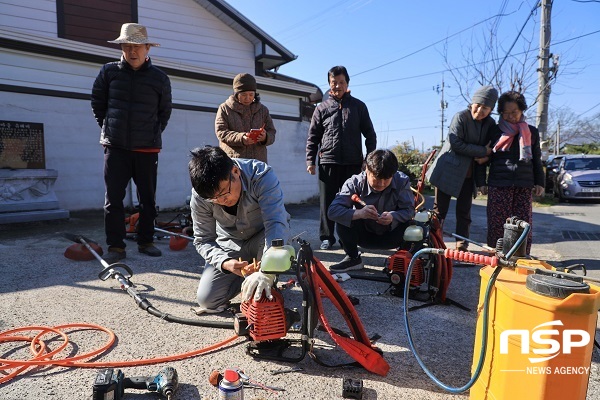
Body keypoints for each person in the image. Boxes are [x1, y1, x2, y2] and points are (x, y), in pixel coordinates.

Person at [91, 23, 172, 263]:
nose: (132, 52)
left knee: (148, 199)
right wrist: (110, 130)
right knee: (113, 199)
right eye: (127, 46)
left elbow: (164, 112)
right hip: (115, 147)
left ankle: (145, 241)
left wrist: (150, 133)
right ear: (122, 48)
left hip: (147, 148)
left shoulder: (160, 78)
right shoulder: (108, 72)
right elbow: (98, 104)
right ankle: (115, 246)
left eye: (137, 46)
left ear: (147, 48)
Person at [188, 146, 290, 313]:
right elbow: (203, 240)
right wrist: (225, 263)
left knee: (262, 292)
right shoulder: (201, 195)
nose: (221, 201)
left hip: (262, 237)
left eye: (224, 193)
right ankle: (250, 277)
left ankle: (266, 276)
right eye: (213, 199)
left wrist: (267, 271)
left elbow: (276, 223)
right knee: (207, 300)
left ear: (235, 172)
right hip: (229, 243)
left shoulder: (261, 176)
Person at [306, 66, 377, 251]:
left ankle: (350, 238)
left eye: (341, 82)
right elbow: (313, 137)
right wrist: (310, 161)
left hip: (353, 163)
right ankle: (327, 237)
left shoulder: (359, 106)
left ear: (347, 84)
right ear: (329, 84)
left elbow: (370, 135)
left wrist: (368, 160)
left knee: (351, 202)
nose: (337, 86)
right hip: (327, 162)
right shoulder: (321, 108)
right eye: (334, 82)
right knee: (327, 203)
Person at [426, 85, 497, 251]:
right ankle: (434, 240)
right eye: (477, 105)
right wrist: (482, 150)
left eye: (485, 108)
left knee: (464, 212)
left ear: (491, 109)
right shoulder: (460, 117)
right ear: (472, 103)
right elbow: (456, 144)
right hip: (447, 170)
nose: (480, 110)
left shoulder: (491, 124)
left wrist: (487, 156)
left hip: (468, 174)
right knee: (439, 211)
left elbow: (488, 152)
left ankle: (462, 243)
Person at [478, 91, 545, 254]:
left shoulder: (532, 132)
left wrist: (540, 183)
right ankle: (496, 256)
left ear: (522, 110)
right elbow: (482, 158)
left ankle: (521, 256)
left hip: (524, 185)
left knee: (523, 223)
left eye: (514, 112)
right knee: (497, 223)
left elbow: (536, 160)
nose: (510, 116)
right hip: (499, 184)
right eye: (505, 113)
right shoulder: (494, 131)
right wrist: (481, 182)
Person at [327, 150, 415, 272]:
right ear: (367, 169)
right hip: (363, 236)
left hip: (393, 235)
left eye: (387, 179)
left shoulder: (402, 181)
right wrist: (359, 214)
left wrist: (393, 217)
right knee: (343, 218)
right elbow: (332, 211)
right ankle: (353, 258)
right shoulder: (354, 182)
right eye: (377, 178)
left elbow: (410, 210)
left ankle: (402, 259)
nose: (382, 184)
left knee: (417, 227)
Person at [215, 73, 276, 163]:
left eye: (251, 94)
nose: (248, 98)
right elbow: (221, 132)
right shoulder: (224, 108)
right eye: (243, 95)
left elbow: (272, 132)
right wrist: (241, 138)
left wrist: (265, 137)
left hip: (258, 163)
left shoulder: (263, 110)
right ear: (236, 94)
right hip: (234, 162)